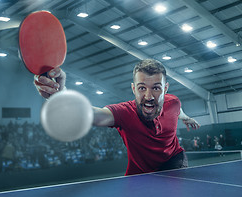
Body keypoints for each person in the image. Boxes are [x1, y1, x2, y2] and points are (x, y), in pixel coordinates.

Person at [34, 59, 200, 175]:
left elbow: (178, 111)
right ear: (134, 89)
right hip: (139, 173)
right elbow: (93, 115)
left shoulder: (174, 102)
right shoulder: (125, 113)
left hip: (173, 160)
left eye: (156, 88)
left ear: (165, 89)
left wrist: (186, 118)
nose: (149, 96)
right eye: (142, 88)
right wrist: (62, 95)